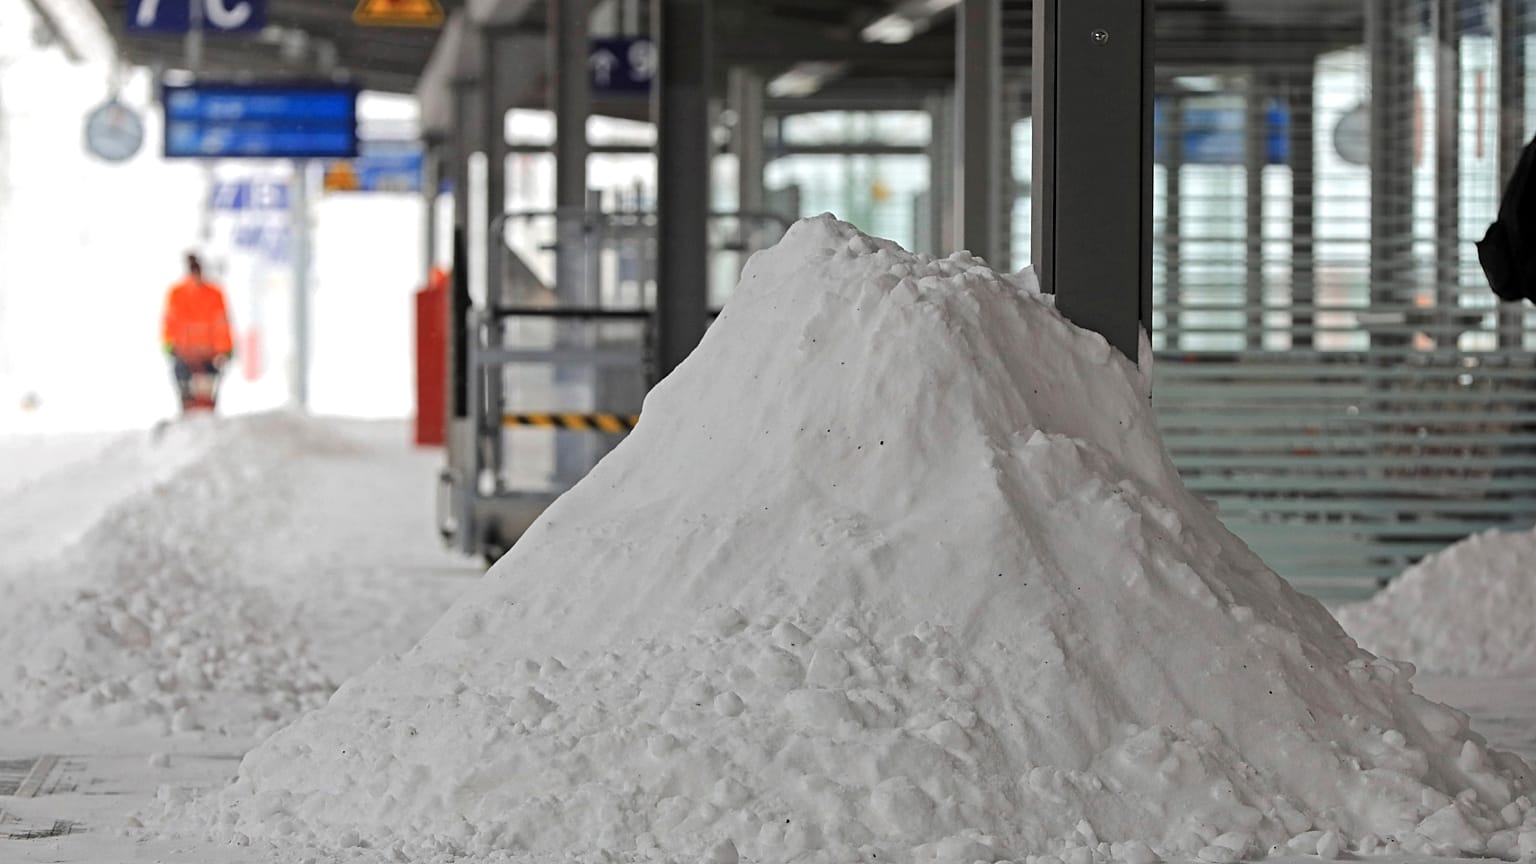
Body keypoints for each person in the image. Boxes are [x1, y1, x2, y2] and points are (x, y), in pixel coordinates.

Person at [161, 253, 233, 412]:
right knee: (187, 396)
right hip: (185, 355)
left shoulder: (214, 294)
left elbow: (221, 324)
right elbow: (169, 323)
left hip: (209, 357)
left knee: (206, 397)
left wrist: (224, 351)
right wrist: (170, 346)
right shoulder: (177, 294)